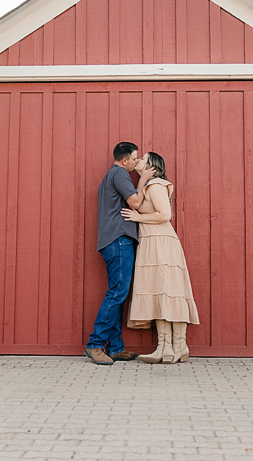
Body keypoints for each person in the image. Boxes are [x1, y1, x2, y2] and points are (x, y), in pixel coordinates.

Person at [121, 152, 199, 364]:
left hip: (160, 241)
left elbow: (165, 215)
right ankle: (168, 347)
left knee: (168, 291)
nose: (138, 160)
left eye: (143, 158)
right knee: (160, 291)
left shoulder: (155, 185)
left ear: (152, 165)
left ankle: (177, 346)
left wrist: (138, 217)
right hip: (151, 241)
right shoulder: (148, 184)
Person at [85, 142, 155, 365]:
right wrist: (143, 180)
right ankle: (95, 344)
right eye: (134, 159)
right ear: (125, 160)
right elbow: (135, 202)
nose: (136, 162)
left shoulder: (110, 176)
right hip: (119, 240)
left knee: (118, 292)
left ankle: (115, 347)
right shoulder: (120, 174)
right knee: (117, 293)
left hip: (113, 241)